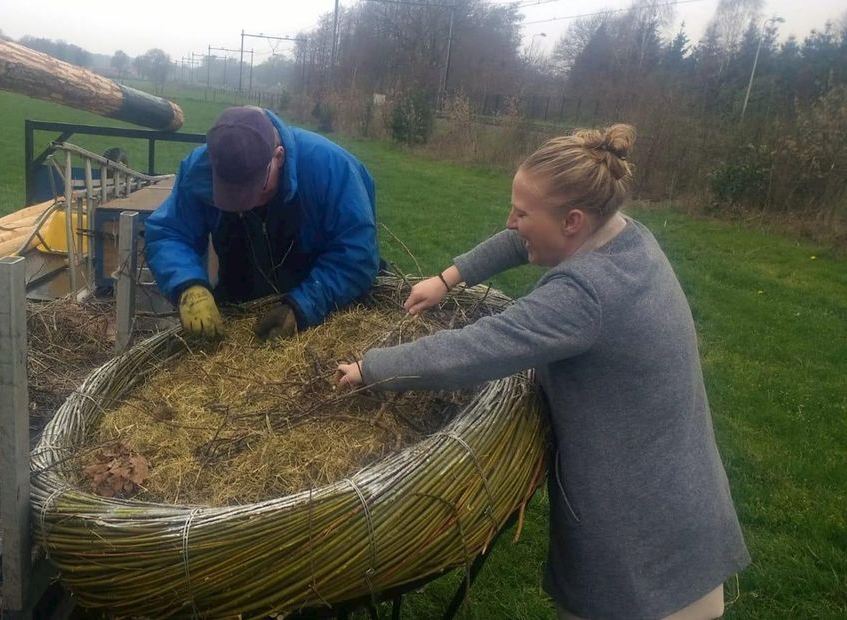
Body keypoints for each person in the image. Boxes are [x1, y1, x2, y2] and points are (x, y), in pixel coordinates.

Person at [337, 125, 749, 619]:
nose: (510, 221)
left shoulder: (586, 295)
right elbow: (521, 242)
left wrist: (372, 367)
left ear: (573, 220)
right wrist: (449, 278)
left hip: (637, 550)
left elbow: (477, 349)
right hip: (685, 504)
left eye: (521, 212)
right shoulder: (623, 236)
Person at [144, 106, 379, 341]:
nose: (249, 205)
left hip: (326, 310)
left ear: (279, 156)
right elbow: (169, 232)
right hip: (241, 307)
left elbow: (357, 253)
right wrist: (187, 284)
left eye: (257, 189)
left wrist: (302, 306)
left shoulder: (331, 168)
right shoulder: (201, 168)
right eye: (231, 195)